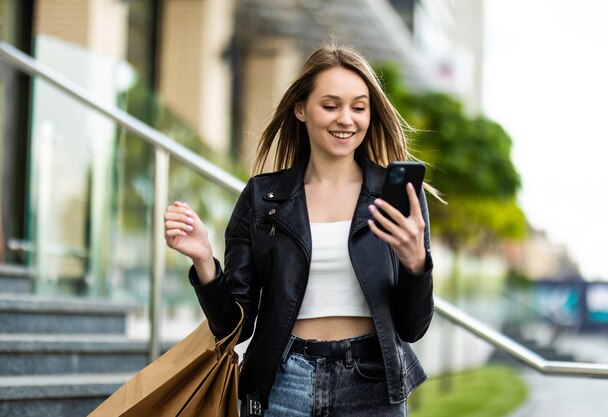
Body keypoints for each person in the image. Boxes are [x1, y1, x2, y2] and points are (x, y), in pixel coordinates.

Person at [164, 42, 435, 417]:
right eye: (330, 105)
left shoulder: (398, 196)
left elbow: (412, 327)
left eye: (359, 107)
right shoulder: (263, 197)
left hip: (372, 386)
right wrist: (203, 260)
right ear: (301, 109)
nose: (346, 119)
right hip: (283, 382)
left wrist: (416, 263)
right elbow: (236, 328)